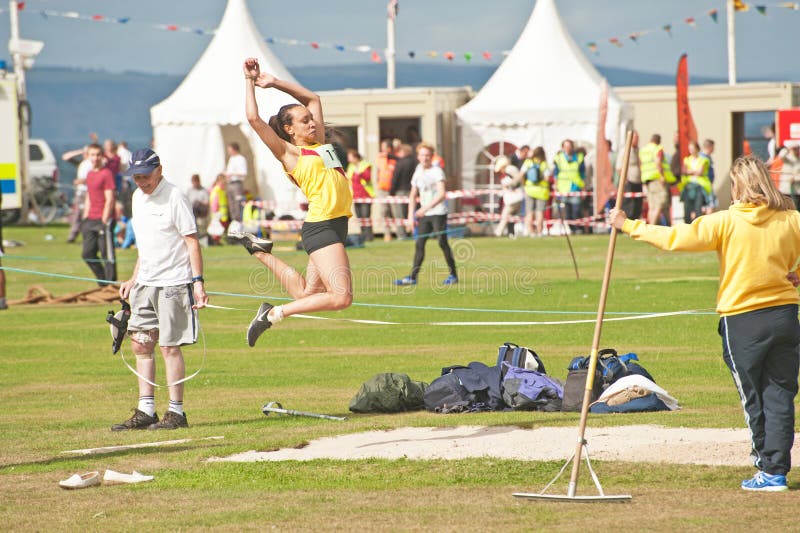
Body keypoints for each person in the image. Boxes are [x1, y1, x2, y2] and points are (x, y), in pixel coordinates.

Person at [609, 156, 800, 492]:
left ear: (739, 185)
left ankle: (768, 470)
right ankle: (777, 470)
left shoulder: (726, 222)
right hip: (785, 317)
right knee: (781, 396)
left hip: (743, 320)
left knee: (753, 396)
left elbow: (675, 238)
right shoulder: (791, 219)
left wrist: (628, 224)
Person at [233, 57, 353, 347]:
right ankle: (274, 313)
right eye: (304, 121)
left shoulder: (321, 144)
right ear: (289, 130)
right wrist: (250, 81)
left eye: (311, 119)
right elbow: (253, 119)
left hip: (337, 225)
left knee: (305, 295)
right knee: (341, 297)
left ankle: (260, 252)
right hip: (322, 226)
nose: (311, 123)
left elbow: (313, 98)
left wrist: (275, 82)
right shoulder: (290, 153)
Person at [114, 148, 208, 431]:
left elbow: (191, 241)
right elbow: (145, 245)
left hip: (174, 283)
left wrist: (198, 282)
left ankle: (176, 412)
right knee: (140, 342)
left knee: (169, 346)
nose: (141, 182)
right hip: (146, 282)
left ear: (159, 170)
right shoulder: (136, 197)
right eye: (136, 177)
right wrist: (133, 278)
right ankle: (146, 410)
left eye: (145, 176)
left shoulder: (175, 196)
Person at [394, 143, 458, 286]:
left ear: (432, 156)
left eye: (428, 155)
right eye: (422, 155)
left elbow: (442, 194)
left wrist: (424, 208)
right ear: (418, 156)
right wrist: (410, 217)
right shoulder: (418, 171)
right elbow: (412, 195)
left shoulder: (437, 172)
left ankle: (453, 275)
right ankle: (412, 277)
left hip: (438, 212)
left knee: (442, 242)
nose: (425, 158)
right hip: (424, 214)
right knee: (419, 244)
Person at [81, 143, 117, 286]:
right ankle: (103, 283)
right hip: (90, 219)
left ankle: (110, 285)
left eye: (98, 155)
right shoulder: (89, 174)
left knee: (106, 254)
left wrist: (104, 220)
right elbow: (89, 196)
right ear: (88, 156)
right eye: (92, 155)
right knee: (87, 254)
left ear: (102, 156)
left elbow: (110, 199)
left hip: (103, 219)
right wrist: (85, 218)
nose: (95, 158)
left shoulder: (107, 173)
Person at [640, 134, 675, 225]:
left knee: (652, 207)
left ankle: (650, 228)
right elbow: (658, 162)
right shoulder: (657, 149)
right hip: (657, 180)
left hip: (647, 180)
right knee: (660, 204)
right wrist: (662, 176)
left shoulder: (643, 150)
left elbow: (641, 164)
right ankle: (652, 227)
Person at [552, 139, 585, 234]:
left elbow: (582, 174)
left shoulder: (579, 157)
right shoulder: (558, 158)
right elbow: (556, 174)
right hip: (563, 189)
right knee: (566, 212)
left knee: (576, 210)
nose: (568, 148)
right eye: (566, 146)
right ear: (562, 148)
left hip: (576, 187)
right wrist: (556, 186)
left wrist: (583, 188)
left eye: (569, 146)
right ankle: (570, 229)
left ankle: (577, 229)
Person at [62, 145, 92, 243]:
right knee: (77, 215)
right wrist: (81, 151)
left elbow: (95, 177)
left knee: (83, 215)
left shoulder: (92, 163)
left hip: (87, 192)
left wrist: (81, 181)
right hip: (80, 192)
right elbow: (65, 157)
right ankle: (74, 235)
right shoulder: (81, 163)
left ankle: (83, 236)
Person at [346, 149, 375, 241]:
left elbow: (367, 178)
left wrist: (360, 173)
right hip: (356, 196)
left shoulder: (365, 165)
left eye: (350, 157)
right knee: (359, 217)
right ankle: (363, 236)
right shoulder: (351, 166)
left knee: (366, 216)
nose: (348, 160)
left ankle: (369, 236)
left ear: (355, 157)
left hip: (365, 195)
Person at [679, 141, 711, 223]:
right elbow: (684, 171)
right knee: (687, 210)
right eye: (690, 149)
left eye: (693, 149)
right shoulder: (686, 159)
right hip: (688, 187)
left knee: (698, 210)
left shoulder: (703, 160)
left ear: (697, 149)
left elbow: (700, 172)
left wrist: (690, 171)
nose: (691, 151)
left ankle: (698, 229)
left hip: (699, 187)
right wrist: (694, 171)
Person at [523, 146, 551, 237]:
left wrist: (524, 184)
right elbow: (547, 178)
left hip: (529, 189)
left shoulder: (528, 162)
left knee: (529, 212)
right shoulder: (544, 164)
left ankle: (530, 231)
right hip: (541, 191)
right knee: (540, 212)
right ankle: (539, 231)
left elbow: (521, 175)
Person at [492, 156, 523, 238]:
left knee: (505, 215)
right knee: (511, 216)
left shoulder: (510, 169)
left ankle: (499, 232)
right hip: (513, 197)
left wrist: (509, 185)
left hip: (514, 197)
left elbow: (517, 180)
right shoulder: (509, 170)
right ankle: (511, 233)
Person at [389, 144, 416, 239]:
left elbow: (395, 178)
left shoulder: (400, 163)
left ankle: (402, 235)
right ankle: (413, 233)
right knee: (410, 213)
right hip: (412, 191)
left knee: (399, 214)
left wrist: (391, 191)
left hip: (400, 191)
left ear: (403, 152)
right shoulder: (415, 162)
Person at [616, 131, 643, 220]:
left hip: (638, 181)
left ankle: (636, 220)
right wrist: (625, 180)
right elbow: (619, 167)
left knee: (638, 203)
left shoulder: (638, 150)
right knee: (629, 204)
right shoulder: (624, 151)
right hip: (629, 181)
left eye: (637, 138)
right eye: (635, 138)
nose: (637, 140)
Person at [375, 139, 397, 241]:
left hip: (393, 189)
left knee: (395, 211)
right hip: (382, 189)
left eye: (384, 147)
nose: (382, 149)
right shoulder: (380, 158)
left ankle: (398, 232)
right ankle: (387, 233)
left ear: (389, 148)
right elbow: (378, 171)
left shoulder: (395, 159)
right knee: (384, 211)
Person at [224, 142, 248, 223]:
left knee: (238, 204)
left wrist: (232, 174)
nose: (229, 152)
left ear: (234, 150)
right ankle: (234, 221)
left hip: (237, 183)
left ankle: (239, 221)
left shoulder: (241, 159)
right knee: (231, 204)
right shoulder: (231, 159)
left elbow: (243, 173)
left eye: (230, 150)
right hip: (230, 183)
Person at [208, 174, 229, 245]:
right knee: (217, 228)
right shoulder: (217, 190)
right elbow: (214, 201)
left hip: (222, 213)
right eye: (223, 183)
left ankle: (217, 241)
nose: (224, 185)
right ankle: (215, 241)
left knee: (220, 227)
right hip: (218, 213)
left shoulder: (221, 190)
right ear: (218, 182)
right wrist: (215, 211)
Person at [700, 139, 717, 215]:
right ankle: (707, 225)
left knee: (704, 207)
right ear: (709, 147)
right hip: (706, 186)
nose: (714, 149)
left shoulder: (705, 157)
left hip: (705, 185)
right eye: (713, 147)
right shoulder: (703, 158)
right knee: (711, 205)